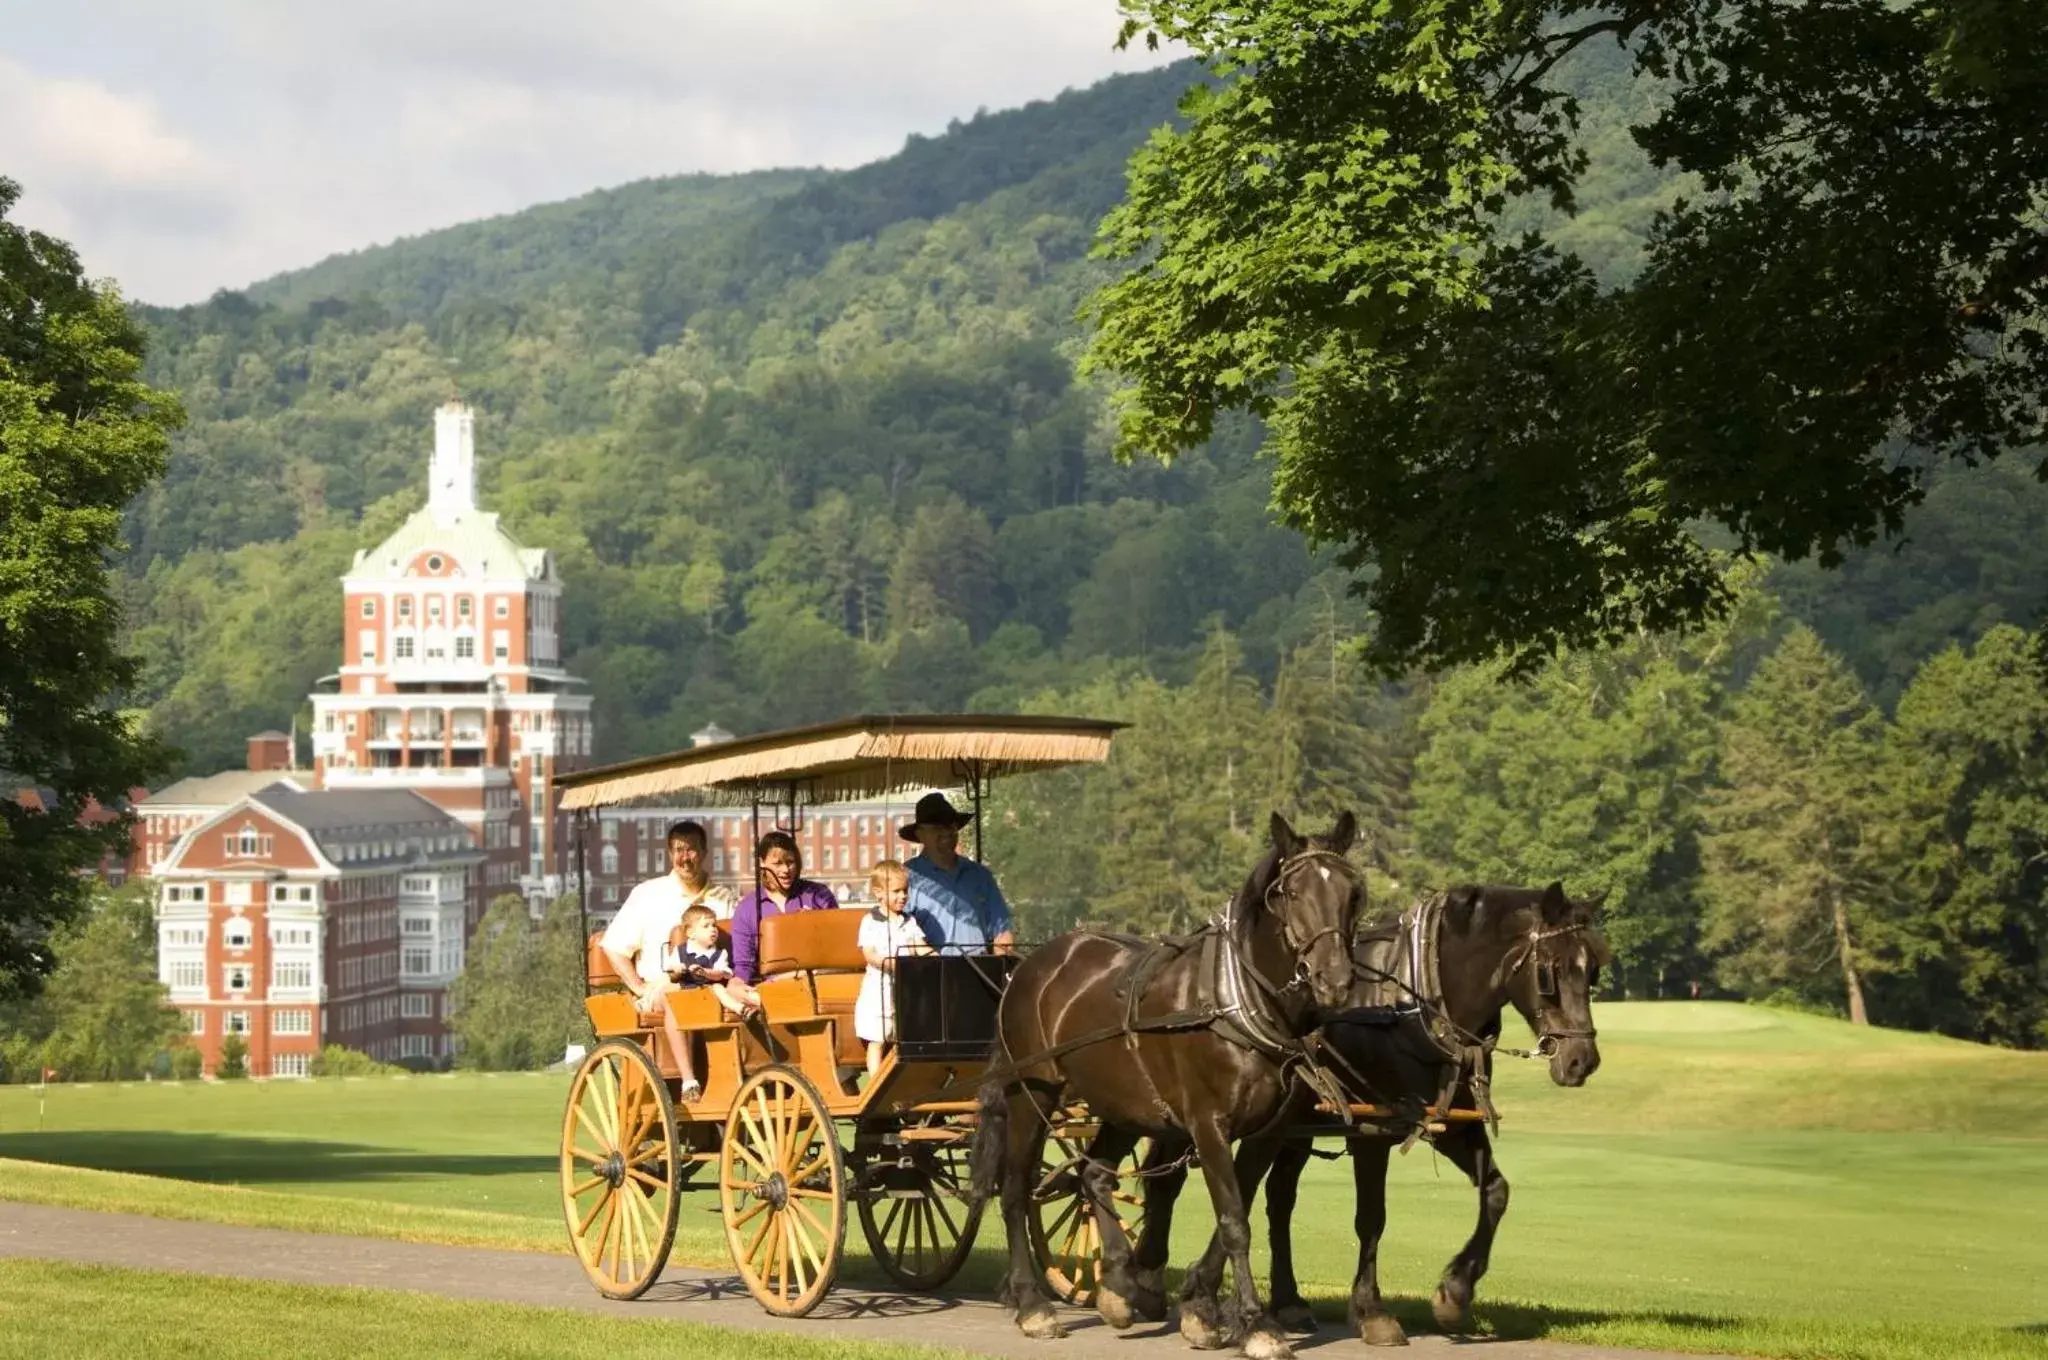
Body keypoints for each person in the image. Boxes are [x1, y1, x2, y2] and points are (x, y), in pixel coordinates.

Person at [601, 819, 729, 1102]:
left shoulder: (724, 897)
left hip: (711, 986)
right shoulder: (648, 894)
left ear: (705, 852)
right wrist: (639, 987)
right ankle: (689, 1081)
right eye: (679, 850)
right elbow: (613, 946)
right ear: (670, 854)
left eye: (692, 849)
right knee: (678, 997)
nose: (685, 858)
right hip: (664, 987)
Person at [901, 792, 1014, 955]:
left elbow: (1002, 931)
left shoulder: (981, 875)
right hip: (929, 975)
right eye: (937, 828)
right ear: (920, 834)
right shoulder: (905, 877)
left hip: (979, 973)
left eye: (951, 826)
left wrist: (1001, 966)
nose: (947, 833)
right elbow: (897, 932)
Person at [728, 830, 840, 987]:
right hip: (775, 986)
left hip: (818, 978)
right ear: (762, 863)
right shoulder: (746, 908)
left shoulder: (818, 895)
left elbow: (838, 943)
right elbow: (744, 966)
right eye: (777, 864)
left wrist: (816, 925)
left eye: (790, 862)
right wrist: (736, 984)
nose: (786, 870)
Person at [855, 860, 932, 1077]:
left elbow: (920, 947)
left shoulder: (909, 921)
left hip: (906, 990)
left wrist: (937, 958)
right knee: (878, 1039)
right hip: (878, 991)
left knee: (904, 1036)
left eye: (905, 891)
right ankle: (876, 1082)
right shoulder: (870, 921)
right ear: (879, 893)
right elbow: (869, 954)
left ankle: (902, 1081)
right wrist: (892, 963)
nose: (903, 896)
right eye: (896, 891)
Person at [664, 903, 749, 1017]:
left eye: (714, 925)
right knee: (669, 989)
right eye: (706, 926)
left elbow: (721, 974)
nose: (713, 929)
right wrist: (679, 968)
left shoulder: (720, 954)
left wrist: (705, 972)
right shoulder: (680, 951)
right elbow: (670, 969)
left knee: (719, 988)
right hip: (685, 989)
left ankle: (741, 1009)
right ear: (690, 933)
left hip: (708, 989)